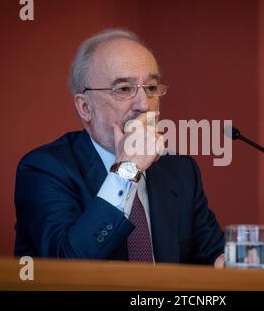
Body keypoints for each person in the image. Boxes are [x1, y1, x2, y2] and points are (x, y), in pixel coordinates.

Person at [14, 29, 225, 266]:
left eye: (152, 88)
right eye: (124, 89)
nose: (144, 105)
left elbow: (214, 257)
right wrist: (127, 171)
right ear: (85, 107)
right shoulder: (44, 169)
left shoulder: (179, 170)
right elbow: (67, 264)